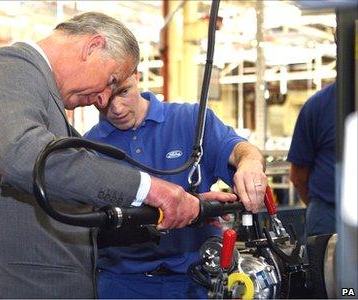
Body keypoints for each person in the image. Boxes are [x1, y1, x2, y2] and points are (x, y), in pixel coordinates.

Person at [0, 12, 206, 298]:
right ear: (92, 47)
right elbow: (22, 157)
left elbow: (74, 206)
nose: (103, 99)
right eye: (111, 80)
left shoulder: (44, 99)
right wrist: (150, 189)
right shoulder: (6, 67)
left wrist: (191, 206)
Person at [84, 71, 267, 299]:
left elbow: (238, 149)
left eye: (123, 92)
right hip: (121, 285)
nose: (117, 108)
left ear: (136, 76)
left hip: (197, 281)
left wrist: (250, 162)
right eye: (103, 100)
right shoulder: (88, 148)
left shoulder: (191, 120)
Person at [288, 82, 336, 238]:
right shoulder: (319, 105)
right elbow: (298, 175)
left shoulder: (318, 104)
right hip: (328, 216)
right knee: (322, 260)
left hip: (326, 213)